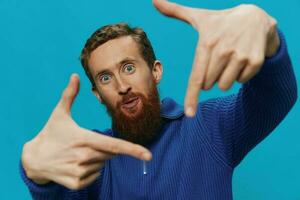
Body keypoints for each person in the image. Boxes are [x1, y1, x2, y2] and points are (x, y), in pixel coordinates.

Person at [20, 0, 297, 199]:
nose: (121, 86)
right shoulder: (94, 158)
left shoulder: (209, 126)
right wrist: (35, 170)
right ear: (97, 94)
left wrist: (266, 37)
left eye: (128, 68)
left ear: (155, 71)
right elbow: (56, 191)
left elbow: (274, 96)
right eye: (105, 78)